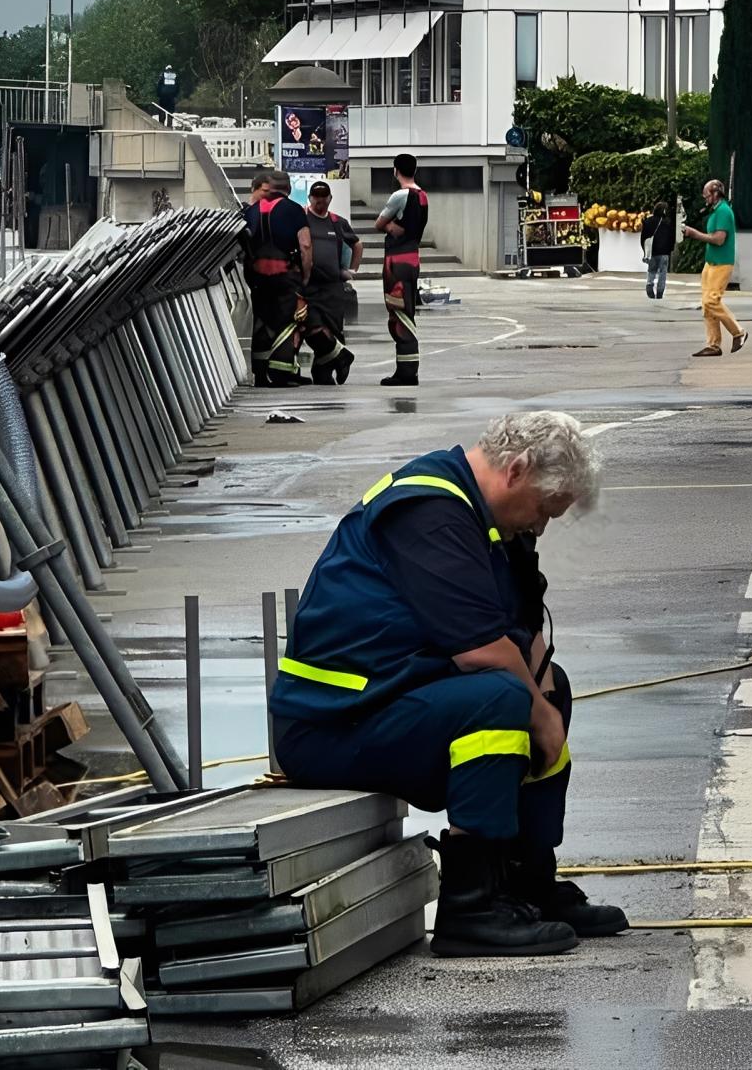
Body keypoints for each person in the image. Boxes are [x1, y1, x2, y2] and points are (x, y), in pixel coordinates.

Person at [269, 412, 627, 956]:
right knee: (507, 699)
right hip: (331, 724)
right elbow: (480, 648)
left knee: (545, 688)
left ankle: (525, 881)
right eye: (542, 509)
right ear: (517, 470)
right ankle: (471, 905)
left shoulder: (489, 520)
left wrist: (543, 688)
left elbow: (519, 626)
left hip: (388, 701)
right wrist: (541, 714)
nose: (540, 527)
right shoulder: (429, 510)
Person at [242, 169, 312, 387]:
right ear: (288, 189)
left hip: (258, 276)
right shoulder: (294, 210)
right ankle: (282, 372)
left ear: (269, 188)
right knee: (287, 322)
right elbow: (305, 246)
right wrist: (305, 277)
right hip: (285, 274)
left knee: (262, 321)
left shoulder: (252, 212)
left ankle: (261, 375)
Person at [375, 153, 428, 386]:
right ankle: (407, 368)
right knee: (407, 311)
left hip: (396, 261)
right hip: (413, 258)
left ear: (395, 170)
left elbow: (379, 223)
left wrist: (389, 226)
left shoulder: (400, 195)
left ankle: (406, 372)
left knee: (398, 314)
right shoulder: (423, 195)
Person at [301, 181, 361, 385]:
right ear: (310, 198)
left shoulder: (337, 222)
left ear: (329, 199)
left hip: (333, 286)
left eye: (324, 197)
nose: (320, 201)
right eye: (316, 197)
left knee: (333, 330)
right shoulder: (302, 219)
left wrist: (351, 270)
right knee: (313, 328)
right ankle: (342, 357)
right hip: (310, 286)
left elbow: (357, 244)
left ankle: (323, 373)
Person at [683, 179, 748, 358]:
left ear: (715, 194)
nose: (705, 199)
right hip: (711, 262)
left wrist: (694, 234)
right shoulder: (716, 211)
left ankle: (738, 332)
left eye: (707, 195)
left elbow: (719, 239)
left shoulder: (724, 212)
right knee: (707, 304)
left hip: (722, 263)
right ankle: (713, 344)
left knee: (712, 301)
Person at [640, 200, 675, 300]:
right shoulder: (668, 222)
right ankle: (660, 291)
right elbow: (671, 238)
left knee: (651, 270)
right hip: (664, 252)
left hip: (652, 252)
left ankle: (649, 285)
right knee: (663, 272)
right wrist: (670, 249)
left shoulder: (648, 221)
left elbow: (643, 238)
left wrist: (645, 250)